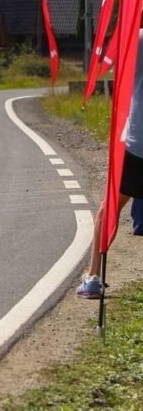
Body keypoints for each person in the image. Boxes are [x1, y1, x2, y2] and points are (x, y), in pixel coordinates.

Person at [77, 28, 143, 298]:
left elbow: (115, 65)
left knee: (110, 208)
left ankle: (93, 277)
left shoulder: (137, 37)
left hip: (138, 143)